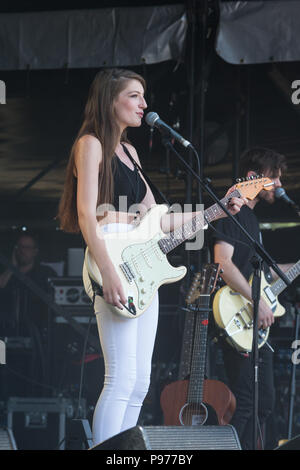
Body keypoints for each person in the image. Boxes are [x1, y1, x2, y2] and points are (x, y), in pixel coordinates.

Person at [57, 68, 246, 446]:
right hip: (111, 260)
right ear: (109, 100)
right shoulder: (90, 144)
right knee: (120, 378)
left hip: (143, 269)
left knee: (140, 382)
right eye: (134, 96)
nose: (144, 105)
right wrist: (109, 272)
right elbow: (85, 214)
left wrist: (217, 209)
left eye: (144, 97)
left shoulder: (131, 151)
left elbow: (159, 219)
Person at [212, 147, 294, 449]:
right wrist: (257, 301)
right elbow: (222, 263)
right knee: (246, 400)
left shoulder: (253, 221)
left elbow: (265, 275)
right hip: (238, 315)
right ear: (253, 178)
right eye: (274, 179)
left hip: (255, 324)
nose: (279, 185)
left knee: (264, 402)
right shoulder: (232, 210)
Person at [0, 231, 56, 396]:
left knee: (35, 373)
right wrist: (12, 267)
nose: (23, 251)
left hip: (38, 337)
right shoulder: (8, 274)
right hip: (8, 335)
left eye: (27, 247)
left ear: (35, 251)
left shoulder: (45, 274)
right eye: (20, 247)